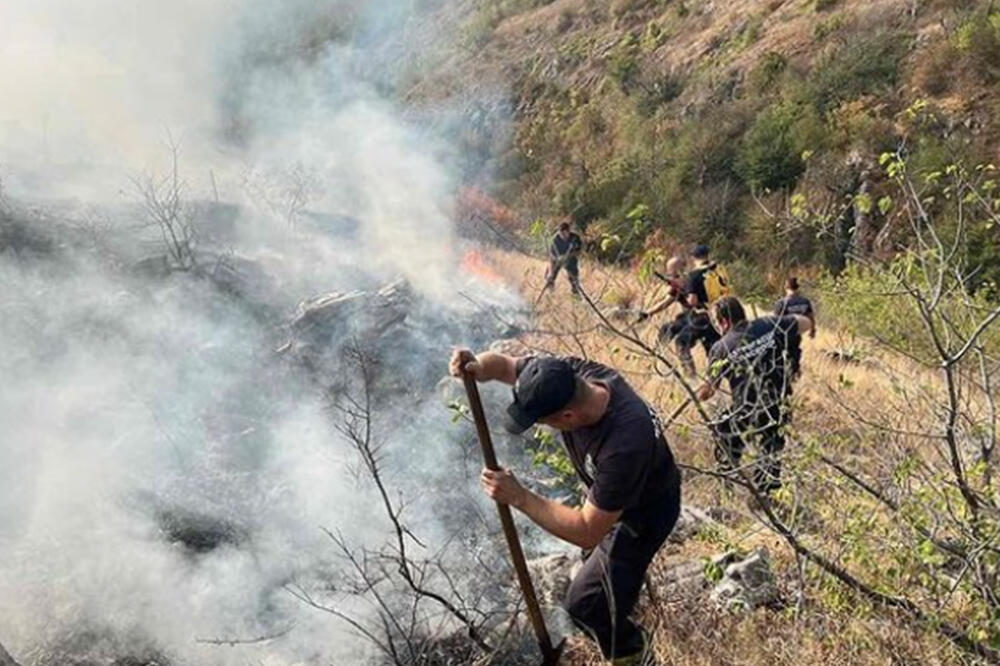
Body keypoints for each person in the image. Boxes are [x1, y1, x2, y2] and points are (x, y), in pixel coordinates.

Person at [449, 348, 681, 664]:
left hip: (643, 517)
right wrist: (476, 366)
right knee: (601, 581)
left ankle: (635, 654)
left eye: (543, 422)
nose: (543, 427)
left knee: (586, 606)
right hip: (615, 501)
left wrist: (519, 496)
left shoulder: (623, 444)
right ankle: (624, 603)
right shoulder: (564, 374)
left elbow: (587, 531)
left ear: (567, 417)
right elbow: (505, 365)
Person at [697, 296, 809, 493]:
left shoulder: (720, 348)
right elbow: (805, 323)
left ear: (724, 321)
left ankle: (727, 484)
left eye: (716, 321)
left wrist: (698, 392)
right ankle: (767, 497)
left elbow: (709, 390)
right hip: (778, 403)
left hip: (745, 409)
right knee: (770, 452)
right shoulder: (769, 324)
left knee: (726, 439)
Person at [659, 245, 728, 377]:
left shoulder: (694, 276)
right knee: (713, 349)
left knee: (681, 341)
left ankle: (691, 376)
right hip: (724, 312)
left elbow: (692, 302)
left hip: (704, 315)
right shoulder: (719, 269)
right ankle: (717, 377)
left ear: (693, 258)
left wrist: (684, 292)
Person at [636, 256, 686, 323]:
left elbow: (665, 303)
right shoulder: (693, 276)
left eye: (670, 270)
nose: (668, 273)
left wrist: (648, 313)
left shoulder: (679, 286)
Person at [544, 222, 583, 297]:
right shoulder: (555, 239)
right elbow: (551, 255)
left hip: (570, 259)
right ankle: (550, 294)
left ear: (569, 231)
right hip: (557, 259)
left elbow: (579, 251)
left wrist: (567, 256)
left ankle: (576, 294)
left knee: (574, 278)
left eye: (565, 233)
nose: (563, 236)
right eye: (561, 234)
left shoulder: (575, 238)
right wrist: (551, 271)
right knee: (550, 277)